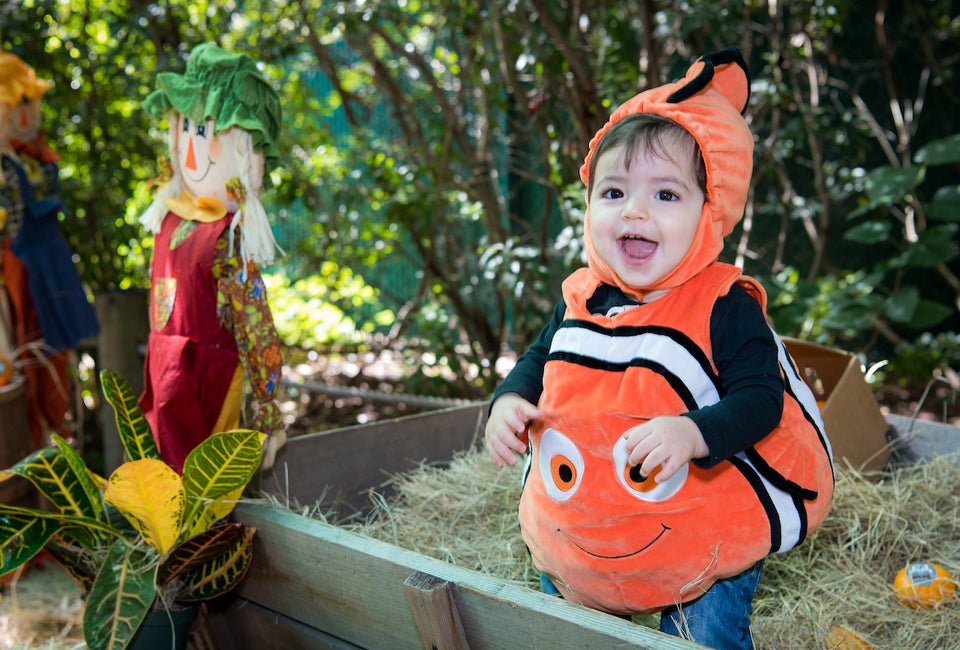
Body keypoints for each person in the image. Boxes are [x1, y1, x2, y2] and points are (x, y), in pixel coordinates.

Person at [484, 47, 834, 649]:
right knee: (564, 607)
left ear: (709, 211)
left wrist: (693, 433)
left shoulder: (724, 305)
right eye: (614, 192)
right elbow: (540, 359)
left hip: (697, 522)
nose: (636, 212)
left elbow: (760, 400)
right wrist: (508, 400)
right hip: (590, 514)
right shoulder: (583, 298)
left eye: (666, 196)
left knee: (703, 625)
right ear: (590, 205)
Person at [137, 43, 286, 472]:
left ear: (247, 154)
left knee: (210, 497)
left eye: (204, 132)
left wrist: (266, 410)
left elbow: (255, 326)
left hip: (210, 390)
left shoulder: (228, 238)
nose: (189, 149)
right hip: (164, 380)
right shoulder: (169, 218)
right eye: (185, 127)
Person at [0, 51, 100, 448]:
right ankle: (33, 446)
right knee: (26, 356)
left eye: (30, 102)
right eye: (15, 104)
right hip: (20, 274)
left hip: (52, 265)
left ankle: (62, 436)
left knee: (58, 357)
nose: (25, 114)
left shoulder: (37, 155)